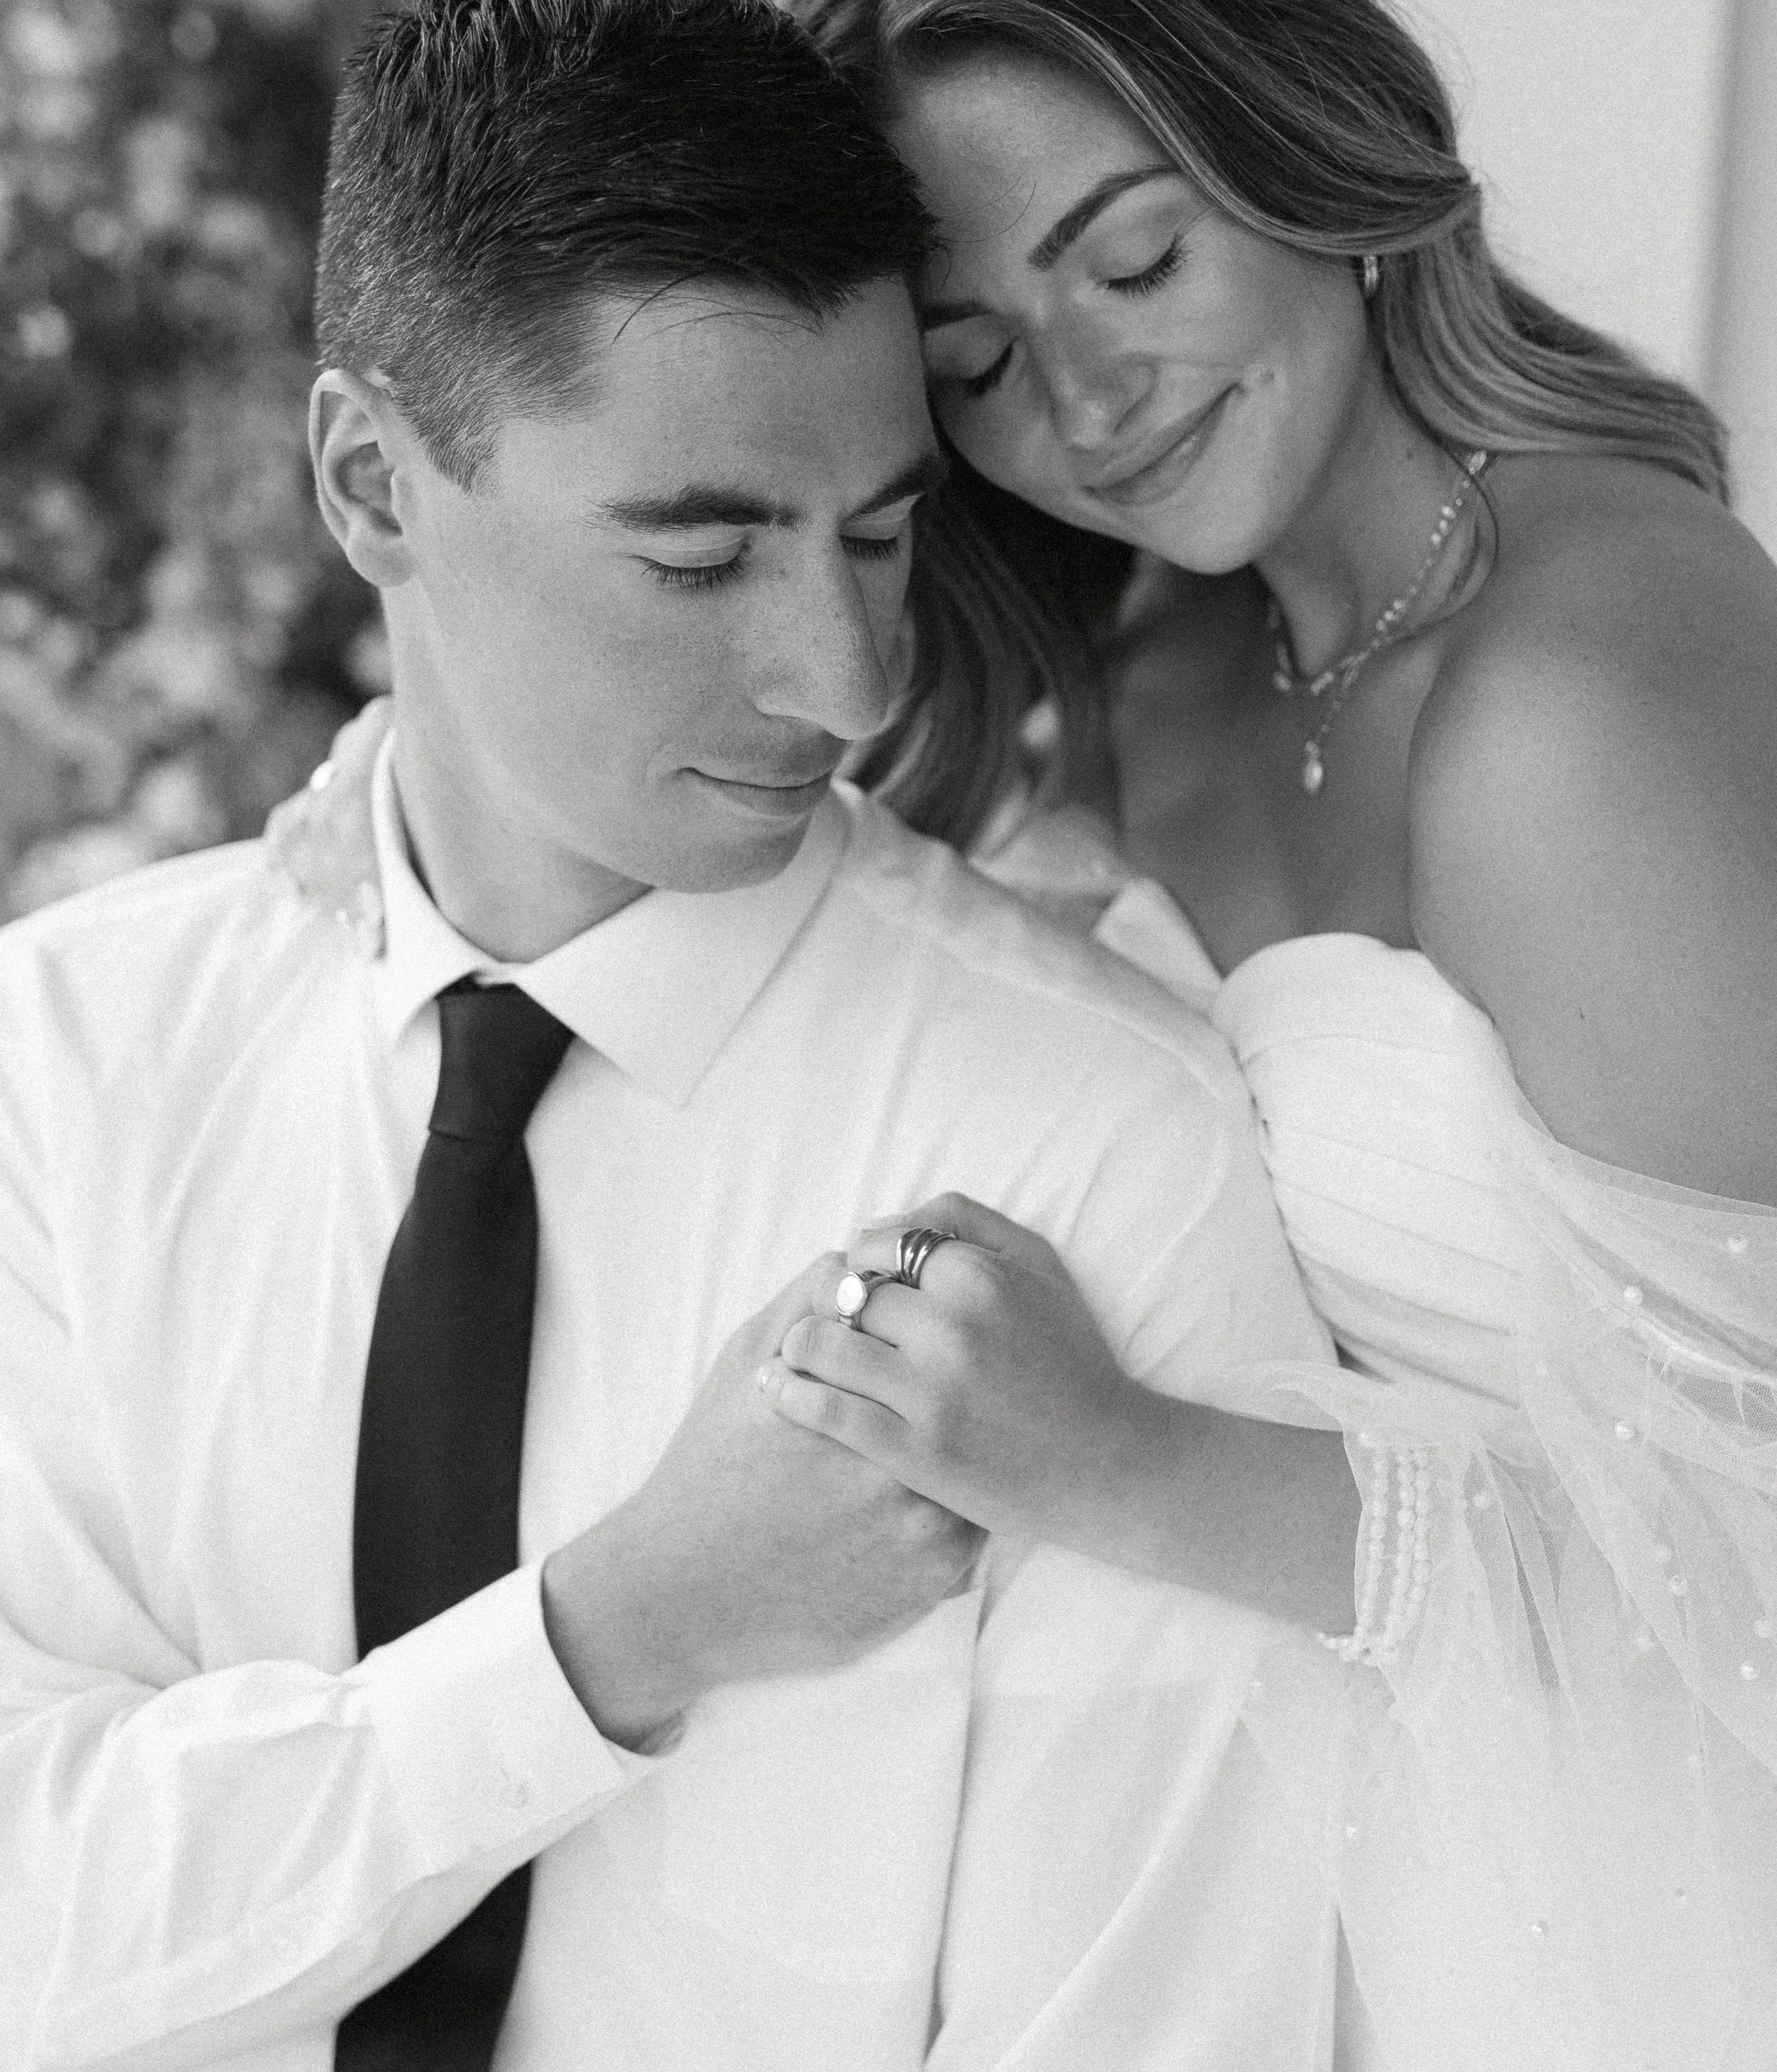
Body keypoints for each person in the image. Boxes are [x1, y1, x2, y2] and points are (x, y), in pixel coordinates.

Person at [276, 0, 1777, 2066]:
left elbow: (1751, 1561)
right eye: (973, 361)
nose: (1083, 398)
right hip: (1316, 1879)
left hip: (1654, 1924)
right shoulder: (1147, 640)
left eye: (1134, 259)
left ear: (1316, 156)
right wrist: (426, 776)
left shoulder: (1588, 695)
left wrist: (1129, 1467)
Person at [0, 3, 1373, 2068]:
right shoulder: (67, 1065)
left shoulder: (1096, 1154)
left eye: (883, 534)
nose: (837, 682)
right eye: (700, 551)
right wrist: (598, 1647)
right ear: (375, 481)